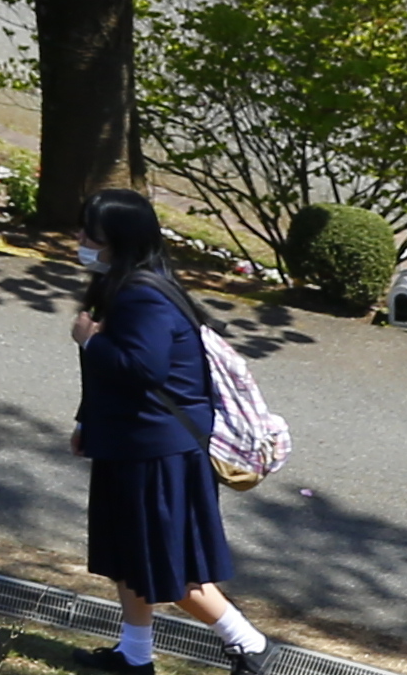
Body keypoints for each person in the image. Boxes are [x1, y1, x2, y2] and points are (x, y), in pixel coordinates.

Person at [72, 188, 271, 667]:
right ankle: (135, 654)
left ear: (119, 241)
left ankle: (248, 643)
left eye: (91, 235)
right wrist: (86, 422)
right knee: (127, 554)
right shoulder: (122, 284)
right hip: (130, 441)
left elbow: (144, 369)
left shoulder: (142, 294)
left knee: (164, 563)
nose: (80, 240)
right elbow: (112, 379)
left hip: (159, 450)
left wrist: (89, 341)